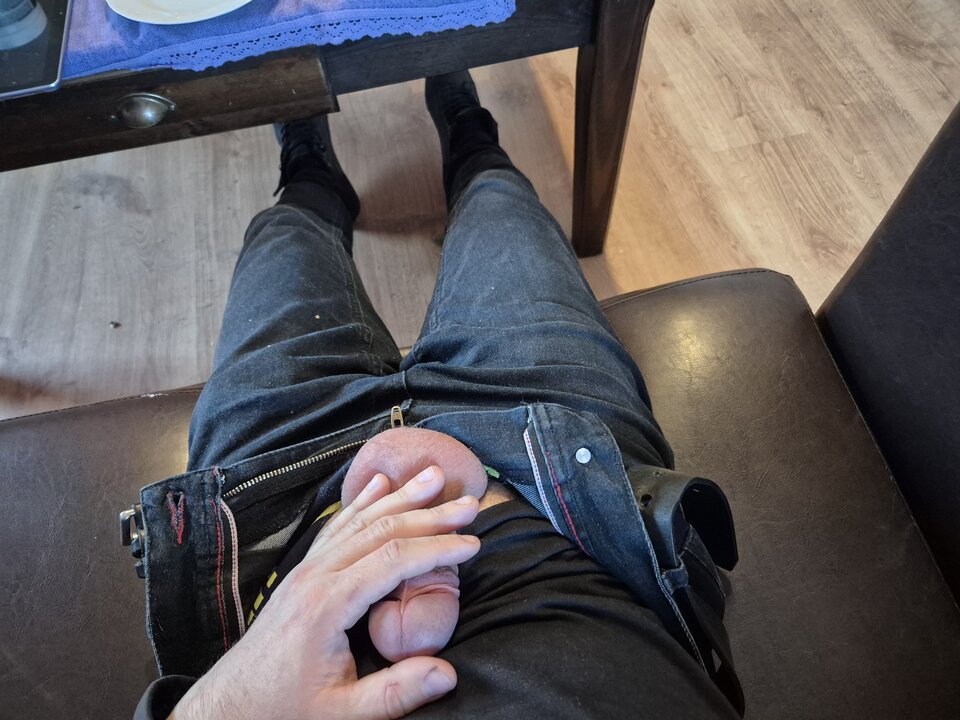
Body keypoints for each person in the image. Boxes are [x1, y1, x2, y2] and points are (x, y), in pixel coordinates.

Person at [130, 71, 743, 720]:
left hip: (280, 495)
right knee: (503, 206)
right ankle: (471, 136)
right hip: (554, 460)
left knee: (282, 237)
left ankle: (310, 173)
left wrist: (220, 708)